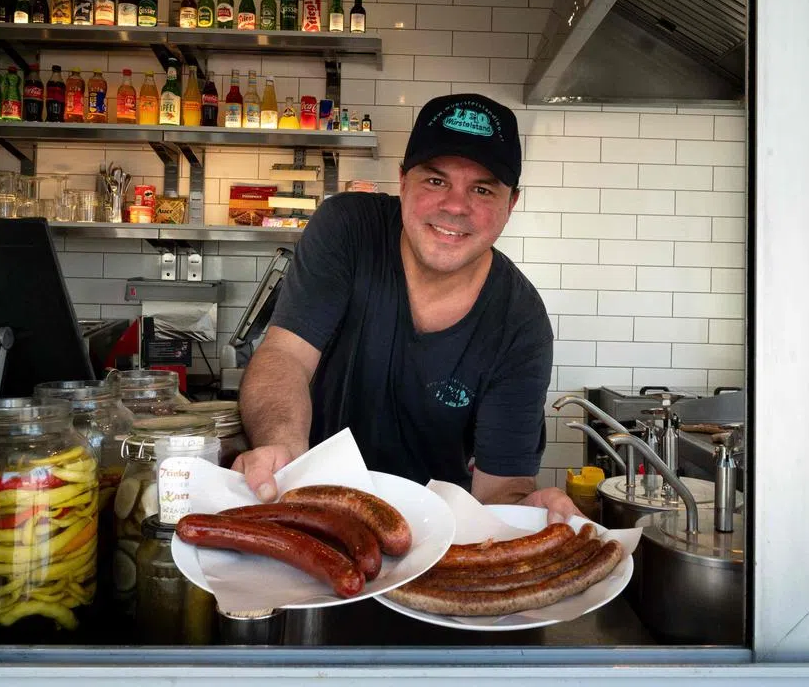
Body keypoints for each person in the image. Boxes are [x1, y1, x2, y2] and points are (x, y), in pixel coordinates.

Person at [233, 93, 579, 523]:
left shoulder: (520, 324)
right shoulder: (348, 229)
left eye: (483, 189)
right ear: (402, 182)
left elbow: (499, 489)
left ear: (511, 205)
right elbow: (285, 356)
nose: (455, 206)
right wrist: (284, 453)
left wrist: (520, 513)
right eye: (435, 181)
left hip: (434, 544)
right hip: (311, 510)